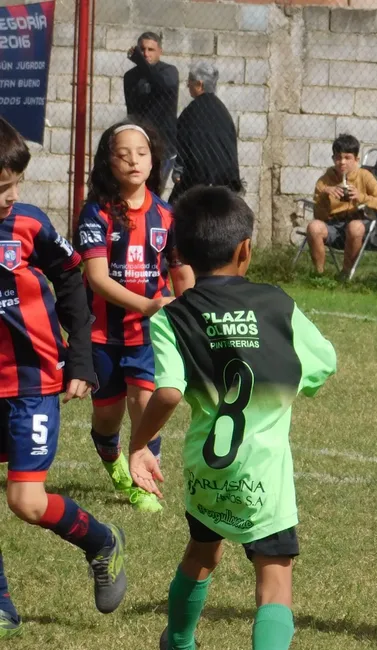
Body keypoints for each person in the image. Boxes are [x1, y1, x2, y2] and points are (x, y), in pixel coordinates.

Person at [127, 186, 336, 650]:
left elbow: (167, 394)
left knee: (202, 551)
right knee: (275, 578)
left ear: (179, 256)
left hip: (204, 470)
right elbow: (323, 365)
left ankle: (176, 648)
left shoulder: (173, 317)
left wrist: (139, 445)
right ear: (246, 250)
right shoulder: (276, 304)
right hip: (263, 476)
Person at [0, 116, 127, 636]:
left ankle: (100, 541)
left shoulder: (28, 224)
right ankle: (3, 606)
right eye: (0, 189)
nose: (10, 197)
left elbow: (71, 279)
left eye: (14, 186)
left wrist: (79, 358)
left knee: (26, 501)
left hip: (31, 383)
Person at [75, 121, 194, 513]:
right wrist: (146, 304)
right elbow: (95, 277)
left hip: (150, 333)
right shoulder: (96, 213)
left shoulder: (167, 214)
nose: (133, 161)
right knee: (107, 417)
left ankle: (143, 479)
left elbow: (180, 271)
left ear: (154, 160)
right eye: (123, 155)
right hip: (104, 336)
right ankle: (115, 466)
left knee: (146, 402)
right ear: (108, 162)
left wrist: (190, 309)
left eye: (141, 153)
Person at [306, 133, 377, 280]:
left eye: (347, 158)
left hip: (359, 225)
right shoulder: (325, 180)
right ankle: (319, 276)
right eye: (338, 157)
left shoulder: (364, 176)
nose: (342, 162)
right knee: (314, 227)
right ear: (333, 159)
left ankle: (345, 275)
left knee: (354, 227)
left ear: (356, 159)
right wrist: (325, 195)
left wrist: (361, 197)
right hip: (333, 225)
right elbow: (319, 216)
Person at [171, 61, 242, 202]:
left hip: (197, 181)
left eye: (190, 81)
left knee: (172, 212)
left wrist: (177, 171)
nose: (187, 85)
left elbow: (182, 143)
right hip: (225, 183)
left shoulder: (192, 111)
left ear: (199, 84)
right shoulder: (222, 111)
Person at [123, 32, 179, 181]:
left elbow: (162, 85)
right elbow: (132, 109)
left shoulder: (169, 72)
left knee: (155, 187)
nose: (146, 53)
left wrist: (141, 62)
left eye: (151, 50)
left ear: (160, 52)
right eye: (142, 50)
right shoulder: (130, 76)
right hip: (139, 142)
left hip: (164, 145)